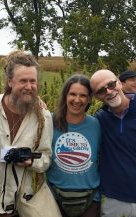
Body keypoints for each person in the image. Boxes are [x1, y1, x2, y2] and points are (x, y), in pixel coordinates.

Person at [0, 50, 53, 217]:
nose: (29, 87)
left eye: (32, 81)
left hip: (20, 207)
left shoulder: (43, 117)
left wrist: (30, 162)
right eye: (23, 81)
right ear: (10, 82)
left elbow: (46, 159)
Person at [90, 69, 136, 217]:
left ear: (119, 83)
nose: (108, 91)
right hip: (114, 201)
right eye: (101, 90)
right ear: (97, 97)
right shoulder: (99, 120)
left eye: (111, 84)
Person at [47, 74, 101, 217]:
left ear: (89, 99)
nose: (77, 100)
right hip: (55, 198)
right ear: (65, 96)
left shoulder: (97, 125)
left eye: (83, 95)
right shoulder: (49, 121)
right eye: (72, 94)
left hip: (90, 200)